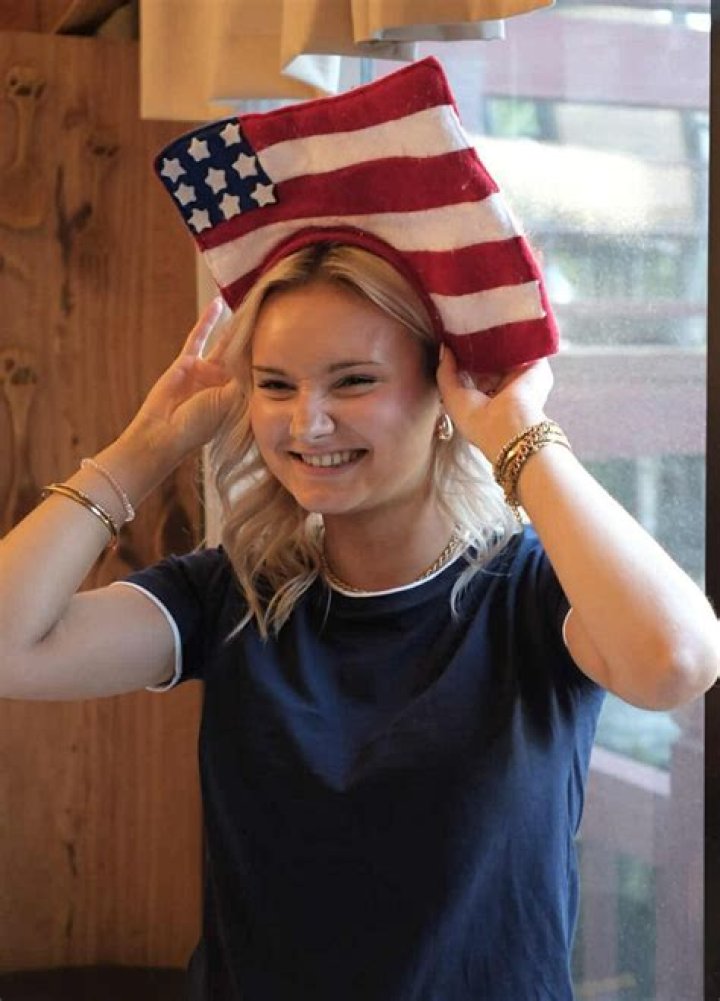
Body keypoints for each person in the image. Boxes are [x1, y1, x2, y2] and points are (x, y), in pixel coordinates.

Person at [1, 60, 718, 1001]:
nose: (308, 423)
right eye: (276, 384)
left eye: (354, 381)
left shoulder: (533, 597)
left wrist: (517, 432)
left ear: (441, 390)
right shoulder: (233, 592)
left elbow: (677, 659)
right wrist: (145, 447)